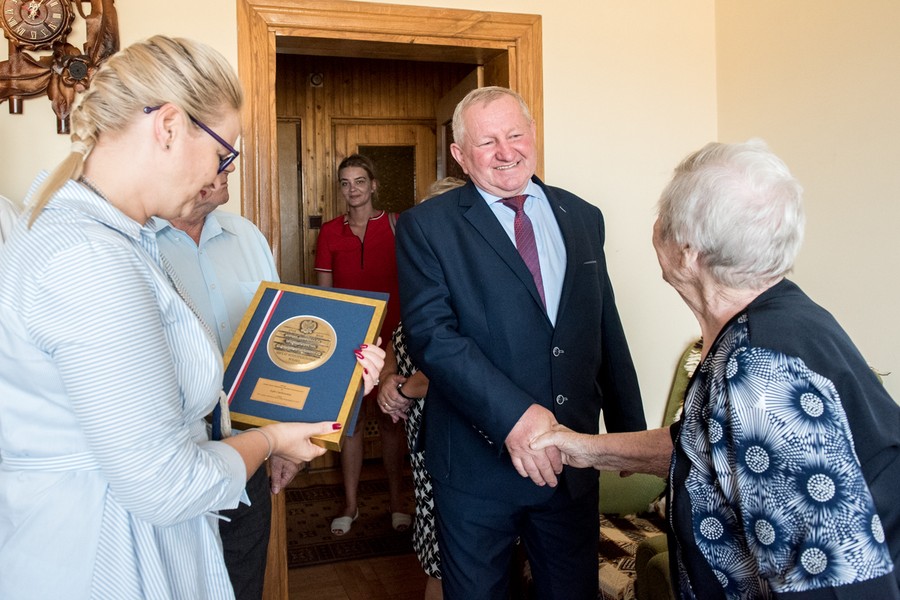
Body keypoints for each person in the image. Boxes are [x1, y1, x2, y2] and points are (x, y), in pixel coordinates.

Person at [0, 35, 384, 600]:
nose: (218, 176)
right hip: (105, 555)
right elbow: (165, 482)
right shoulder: (89, 255)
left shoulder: (101, 235)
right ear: (170, 127)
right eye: (223, 153)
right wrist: (274, 439)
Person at [533, 140, 900, 599]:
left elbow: (835, 579)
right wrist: (585, 449)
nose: (654, 228)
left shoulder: (761, 371)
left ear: (687, 252)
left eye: (663, 219)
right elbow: (708, 443)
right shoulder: (775, 320)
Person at [394, 86, 646, 600]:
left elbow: (603, 324)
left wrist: (628, 429)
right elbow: (433, 338)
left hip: (570, 462)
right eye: (487, 142)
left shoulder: (583, 216)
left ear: (533, 136)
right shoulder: (427, 227)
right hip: (475, 469)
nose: (506, 151)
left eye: (515, 134)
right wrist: (514, 418)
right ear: (461, 156)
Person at [153, 172, 285, 600]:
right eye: (218, 154)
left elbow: (277, 344)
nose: (228, 166)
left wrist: (280, 440)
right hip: (171, 467)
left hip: (248, 455)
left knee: (245, 583)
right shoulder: (133, 244)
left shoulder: (247, 237)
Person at [378, 176, 466, 600]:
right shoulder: (427, 274)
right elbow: (400, 336)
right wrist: (387, 381)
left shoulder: (475, 281)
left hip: (463, 448)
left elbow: (458, 366)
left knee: (453, 565)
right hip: (426, 446)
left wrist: (408, 389)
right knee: (438, 561)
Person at [315, 153, 409, 536]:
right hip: (350, 344)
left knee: (391, 424)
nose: (351, 189)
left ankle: (398, 502)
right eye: (344, 182)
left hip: (393, 344)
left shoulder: (398, 225)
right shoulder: (330, 232)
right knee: (350, 426)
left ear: (373, 185)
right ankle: (351, 506)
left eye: (359, 181)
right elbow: (325, 297)